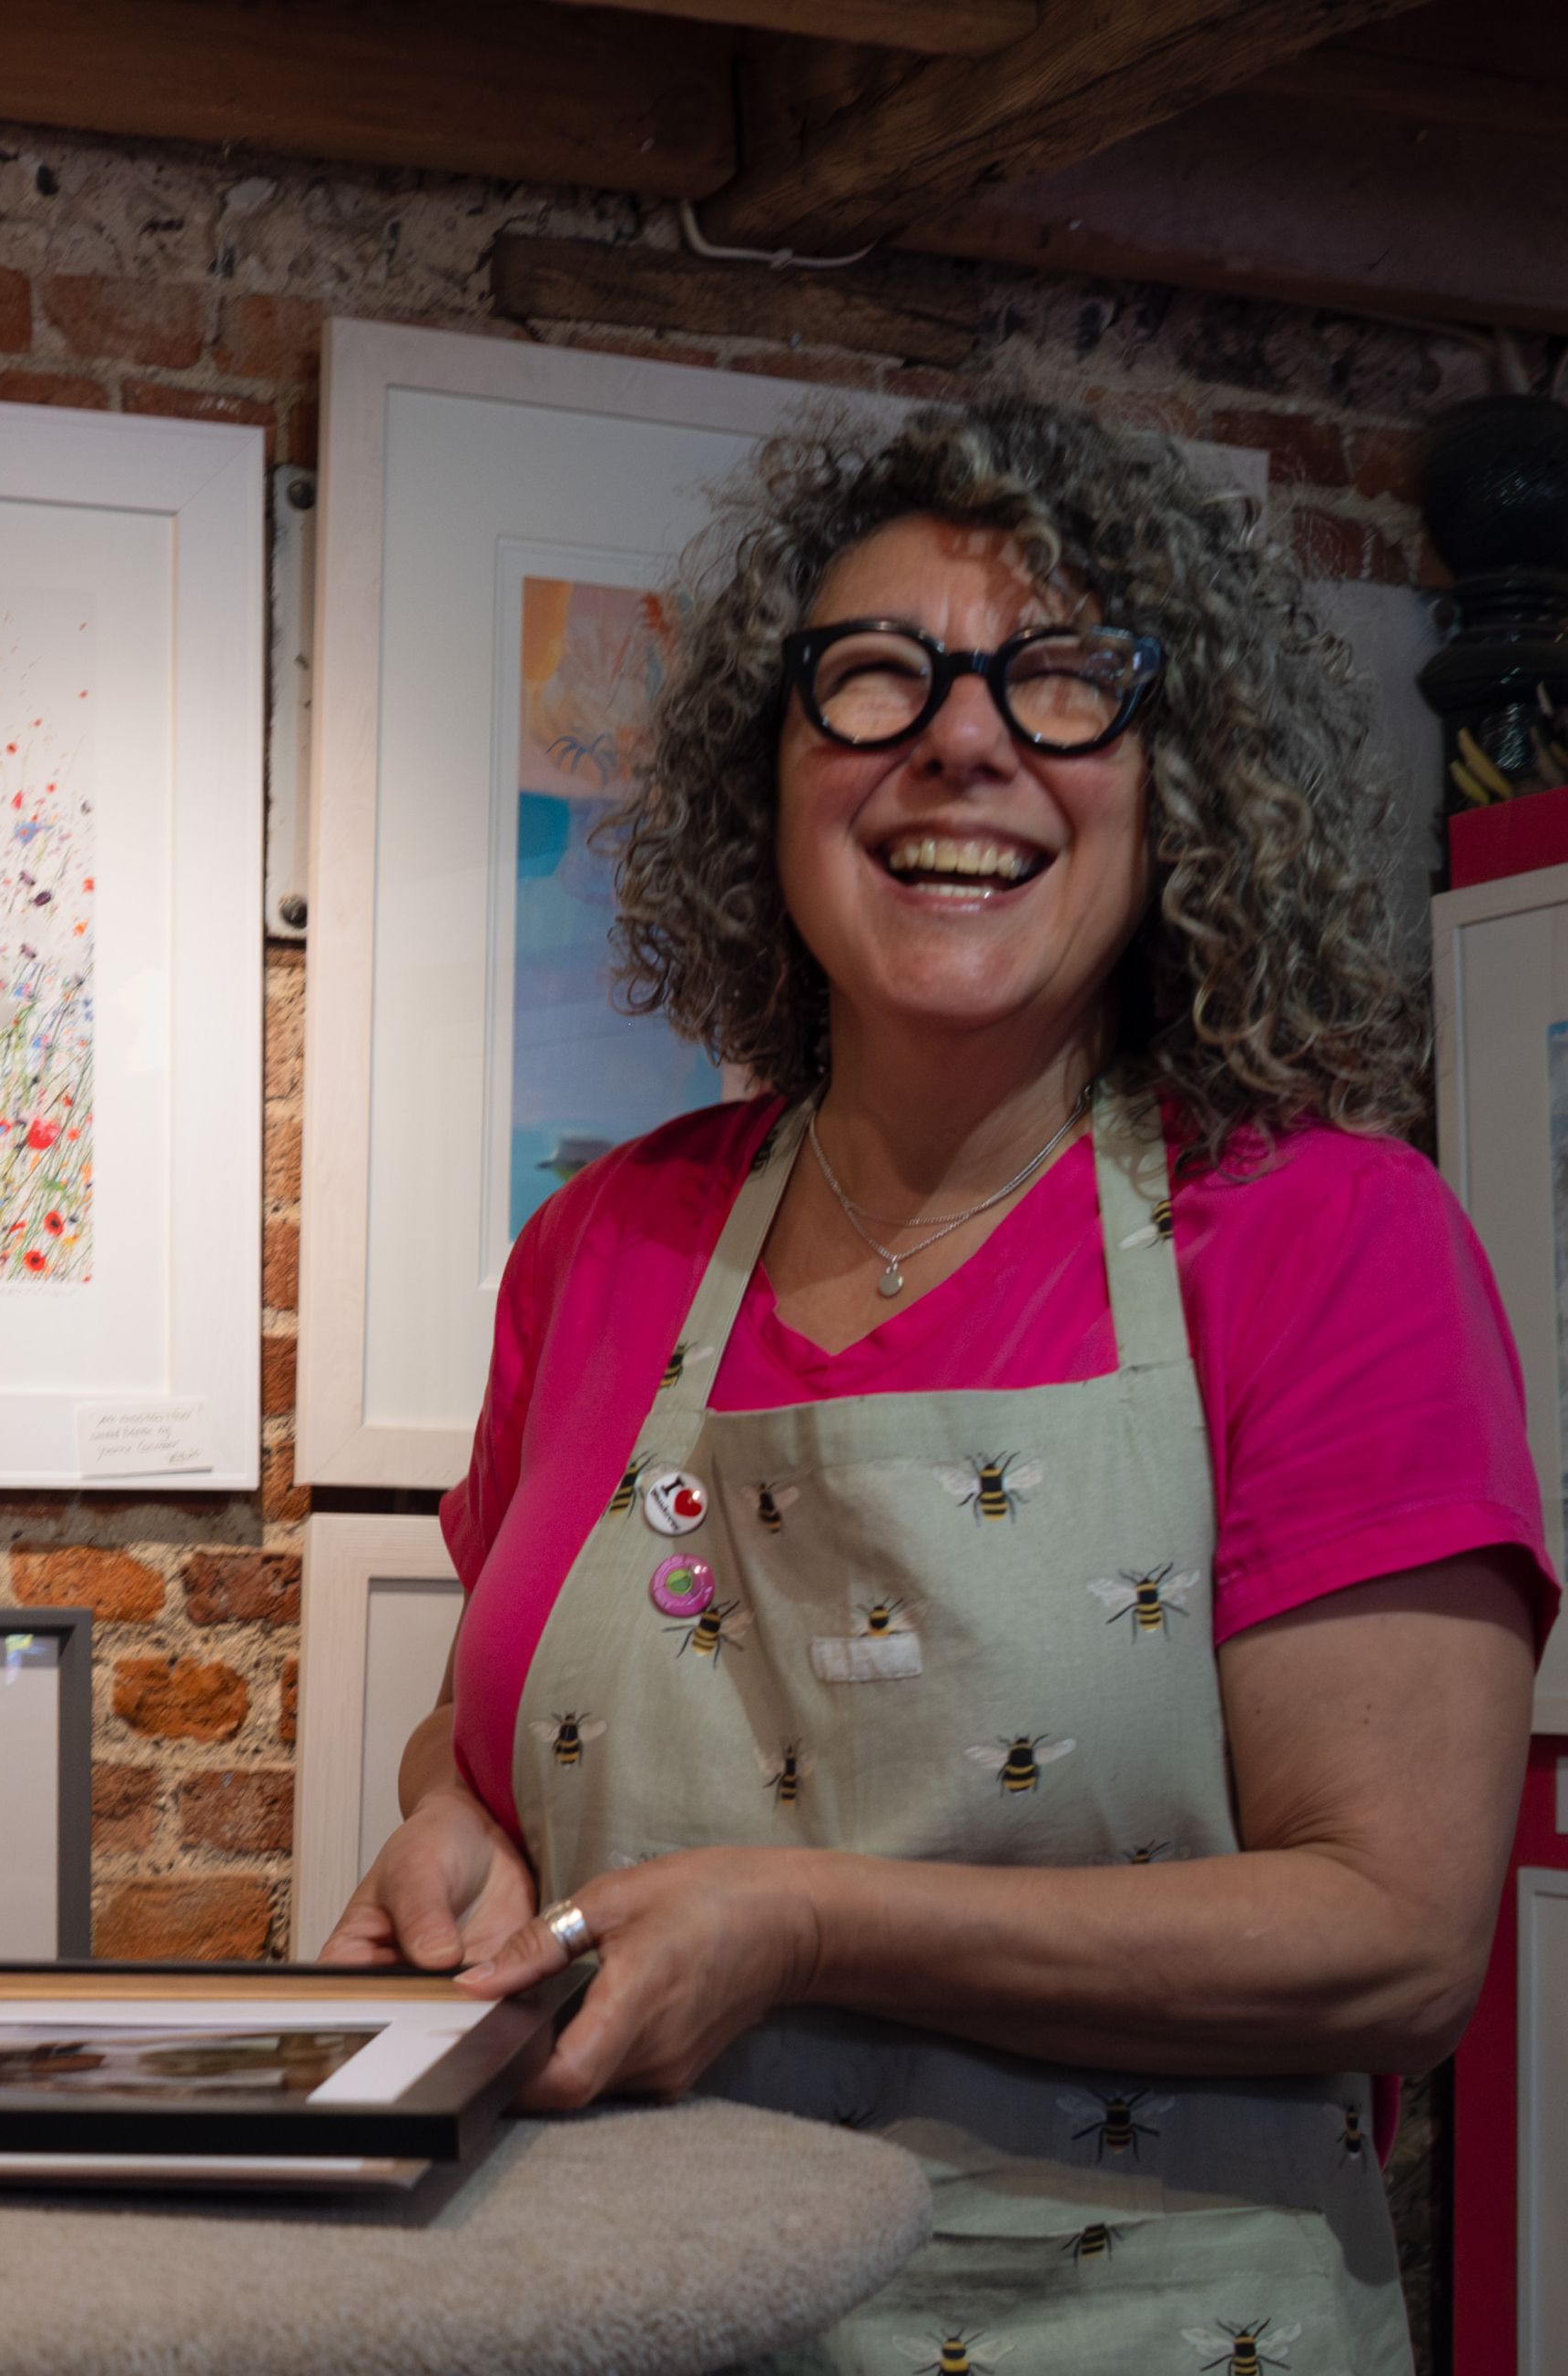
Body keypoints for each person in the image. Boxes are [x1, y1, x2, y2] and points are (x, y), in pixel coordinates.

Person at [322, 395, 1553, 2368]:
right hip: (623, 2316)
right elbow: (482, 1735)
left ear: (1177, 786)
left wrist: (810, 1924)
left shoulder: (1326, 1240)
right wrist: (446, 1828)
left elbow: (1395, 1936)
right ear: (770, 774)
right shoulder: (611, 1241)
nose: (960, 740)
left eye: (1060, 681)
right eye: (876, 676)